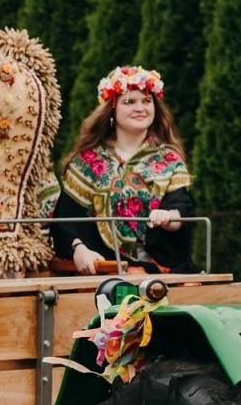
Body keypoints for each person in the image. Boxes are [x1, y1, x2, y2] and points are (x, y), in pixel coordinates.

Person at [49, 65, 197, 275]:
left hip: (163, 270)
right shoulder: (88, 161)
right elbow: (65, 220)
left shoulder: (170, 160)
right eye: (129, 101)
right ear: (112, 109)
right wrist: (79, 250)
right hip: (107, 270)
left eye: (147, 101)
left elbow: (180, 208)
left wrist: (168, 217)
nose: (140, 108)